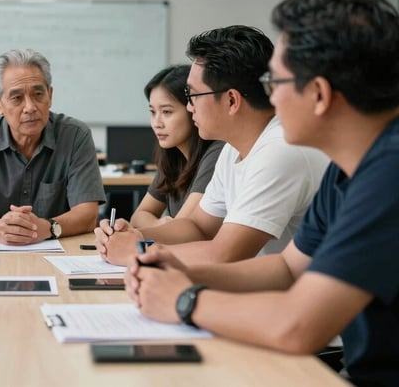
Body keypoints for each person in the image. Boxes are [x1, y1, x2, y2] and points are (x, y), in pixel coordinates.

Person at [125, 0, 399, 387]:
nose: (268, 94)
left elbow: (298, 325)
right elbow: (288, 268)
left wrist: (184, 300)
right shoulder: (347, 167)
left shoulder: (388, 173)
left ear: (318, 94)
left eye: (276, 80)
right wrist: (178, 271)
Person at [96, 25, 329, 265]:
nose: (189, 107)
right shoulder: (233, 148)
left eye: (192, 96)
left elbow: (224, 253)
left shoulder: (279, 150)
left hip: (303, 295)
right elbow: (198, 227)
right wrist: (136, 236)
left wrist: (138, 250)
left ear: (231, 100)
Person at [0, 49, 106, 244]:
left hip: (59, 253)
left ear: (50, 95)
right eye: (17, 98)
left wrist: (46, 228)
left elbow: (88, 214)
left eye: (38, 94)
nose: (30, 107)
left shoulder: (75, 136)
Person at [127, 65, 224, 228]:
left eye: (166, 112)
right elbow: (138, 217)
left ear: (192, 108)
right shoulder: (173, 157)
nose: (156, 123)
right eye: (152, 112)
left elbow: (181, 228)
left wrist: (160, 227)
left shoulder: (218, 152)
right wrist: (159, 224)